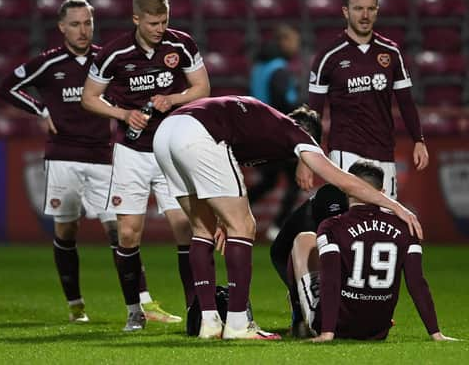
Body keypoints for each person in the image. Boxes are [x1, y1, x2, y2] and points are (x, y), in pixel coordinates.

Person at [152, 95, 422, 340]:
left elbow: (220, 166)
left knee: (202, 229)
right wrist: (395, 206)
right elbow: (345, 182)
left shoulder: (263, 123)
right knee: (245, 226)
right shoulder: (297, 136)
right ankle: (237, 324)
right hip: (198, 133)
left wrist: (223, 219)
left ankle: (209, 322)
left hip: (165, 133)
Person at [0, 0, 174, 324]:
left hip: (105, 156)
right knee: (66, 232)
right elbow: (7, 87)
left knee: (118, 231)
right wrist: (41, 109)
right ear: (62, 27)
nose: (83, 30)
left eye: (88, 23)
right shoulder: (49, 63)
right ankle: (76, 304)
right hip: (63, 156)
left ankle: (142, 305)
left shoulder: (107, 60)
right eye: (76, 24)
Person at [81, 0, 210, 331]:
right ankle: (134, 311)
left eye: (164, 21)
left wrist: (176, 97)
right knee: (128, 234)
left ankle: (195, 309)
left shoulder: (181, 44)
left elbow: (202, 88)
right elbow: (89, 97)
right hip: (132, 153)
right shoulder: (114, 53)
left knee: (186, 229)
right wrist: (123, 114)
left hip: (171, 150)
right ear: (136, 19)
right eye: (153, 22)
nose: (159, 28)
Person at [288, 161, 456, 342]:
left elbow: (332, 280)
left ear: (346, 189)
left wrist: (327, 333)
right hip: (378, 330)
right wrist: (436, 333)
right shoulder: (406, 227)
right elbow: (417, 284)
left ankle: (300, 319)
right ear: (382, 193)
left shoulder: (332, 226)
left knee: (303, 240)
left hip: (337, 326)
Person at [307, 0, 429, 199]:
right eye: (358, 9)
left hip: (384, 150)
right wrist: (306, 158)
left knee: (386, 219)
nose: (365, 15)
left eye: (370, 9)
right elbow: (313, 112)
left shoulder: (391, 52)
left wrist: (418, 140)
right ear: (346, 11)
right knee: (349, 221)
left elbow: (406, 102)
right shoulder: (329, 56)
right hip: (346, 150)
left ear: (377, 11)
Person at [269, 184, 348, 336]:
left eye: (338, 218)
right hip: (284, 255)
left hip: (318, 247)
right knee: (305, 287)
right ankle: (298, 320)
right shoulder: (306, 224)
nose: (333, 223)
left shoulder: (345, 211)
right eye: (329, 219)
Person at [248, 24, 302, 240]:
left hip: (259, 132)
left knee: (269, 181)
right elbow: (284, 102)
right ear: (283, 42)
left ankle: (232, 214)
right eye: (293, 41)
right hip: (278, 134)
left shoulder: (259, 67)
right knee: (296, 180)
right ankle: (277, 227)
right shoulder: (279, 68)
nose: (296, 47)